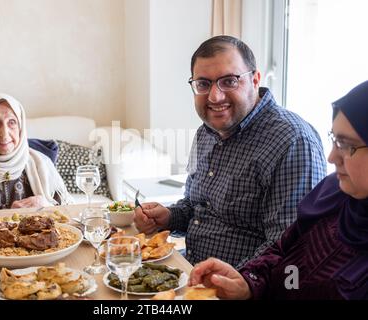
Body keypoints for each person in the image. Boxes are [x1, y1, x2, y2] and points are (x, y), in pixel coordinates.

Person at [134, 35, 327, 267]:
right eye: (203, 84)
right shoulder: (207, 131)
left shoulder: (293, 142)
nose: (215, 96)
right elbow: (199, 207)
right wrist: (168, 216)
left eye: (229, 81)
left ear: (255, 80)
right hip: (191, 270)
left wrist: (238, 281)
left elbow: (291, 247)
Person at [188, 80, 368, 300]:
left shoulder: (292, 139)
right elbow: (283, 251)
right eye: (334, 140)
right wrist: (248, 283)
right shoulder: (333, 193)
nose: (332, 157)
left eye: (347, 145)